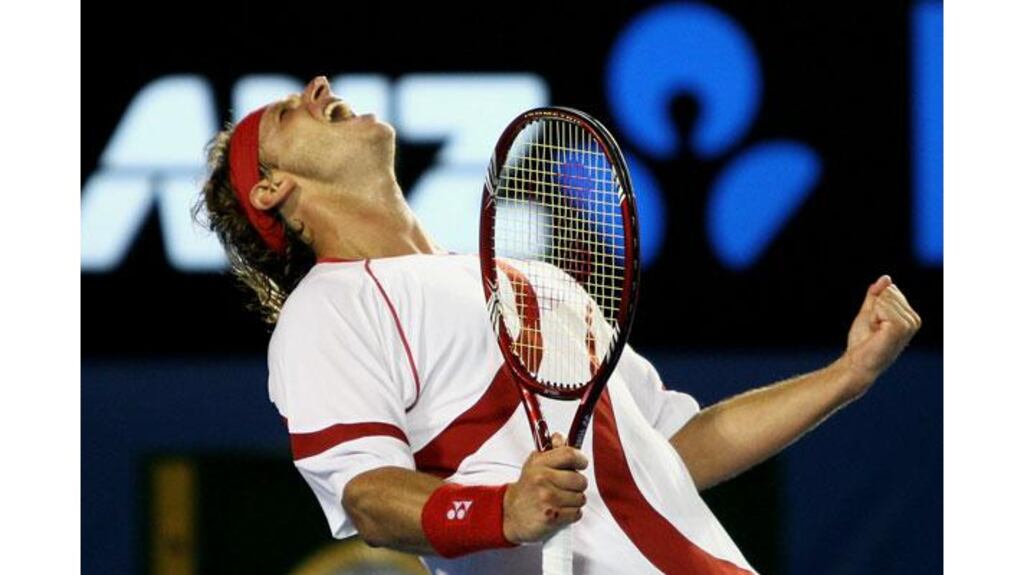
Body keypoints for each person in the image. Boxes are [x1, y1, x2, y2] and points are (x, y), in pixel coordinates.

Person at [194, 76, 921, 574]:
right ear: (272, 187)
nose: (320, 88)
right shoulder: (328, 310)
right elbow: (369, 496)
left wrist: (846, 375)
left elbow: (675, 451)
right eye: (290, 111)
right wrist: (503, 510)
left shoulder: (534, 278)